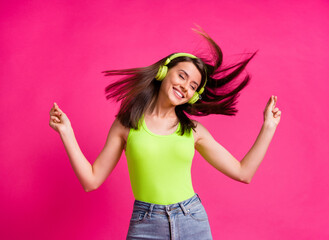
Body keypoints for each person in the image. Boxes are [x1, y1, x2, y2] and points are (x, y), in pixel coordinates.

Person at [49, 27, 281, 239]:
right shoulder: (126, 124)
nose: (185, 86)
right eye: (182, 75)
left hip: (192, 220)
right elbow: (91, 181)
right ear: (163, 72)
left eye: (193, 86)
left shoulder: (194, 131)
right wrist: (66, 132)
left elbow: (243, 173)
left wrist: (268, 127)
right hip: (145, 224)